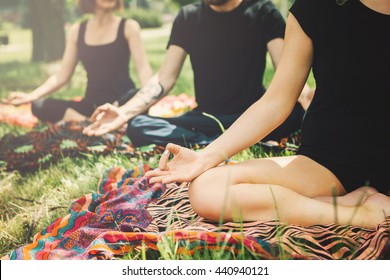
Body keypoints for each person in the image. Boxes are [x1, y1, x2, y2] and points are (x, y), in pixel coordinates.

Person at [145, 0, 390, 229]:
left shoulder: (262, 12)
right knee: (208, 189)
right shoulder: (315, 7)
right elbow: (276, 101)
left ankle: (340, 204)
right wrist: (204, 157)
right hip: (329, 165)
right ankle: (358, 214)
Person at [83, 0, 313, 147]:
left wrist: (306, 96)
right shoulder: (188, 17)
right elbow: (166, 78)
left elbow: (287, 72)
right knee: (138, 126)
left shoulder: (264, 11)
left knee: (294, 114)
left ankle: (225, 142)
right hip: (205, 118)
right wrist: (123, 113)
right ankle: (224, 143)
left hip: (253, 115)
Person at [3, 0, 152, 123]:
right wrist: (31, 96)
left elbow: (143, 69)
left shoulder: (129, 27)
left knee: (141, 96)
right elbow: (62, 76)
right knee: (38, 105)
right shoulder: (77, 31)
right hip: (91, 104)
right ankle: (88, 121)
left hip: (122, 102)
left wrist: (148, 97)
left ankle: (91, 121)